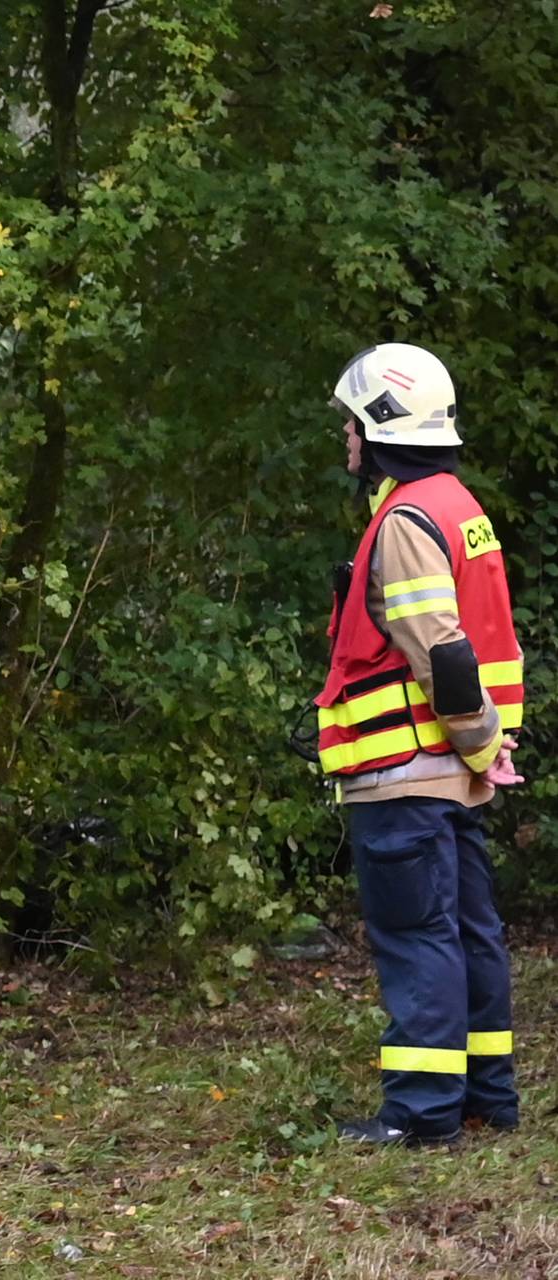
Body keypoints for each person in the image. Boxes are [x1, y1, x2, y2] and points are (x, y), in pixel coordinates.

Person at [310, 342, 525, 1147]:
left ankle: (423, 1113)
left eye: (351, 424)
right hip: (453, 767)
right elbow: (482, 643)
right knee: (469, 930)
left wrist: (476, 743)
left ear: (382, 424)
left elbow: (441, 652)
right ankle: (486, 1097)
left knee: (418, 936)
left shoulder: (403, 519)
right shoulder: (458, 508)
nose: (347, 440)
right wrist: (488, 747)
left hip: (406, 769)